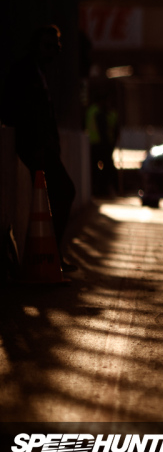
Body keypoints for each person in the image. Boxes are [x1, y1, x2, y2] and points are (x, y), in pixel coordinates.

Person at [0, 25, 77, 271]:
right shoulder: (25, 72)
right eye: (47, 46)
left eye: (56, 46)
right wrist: (35, 146)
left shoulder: (42, 73)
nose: (52, 51)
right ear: (36, 46)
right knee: (64, 191)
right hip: (35, 148)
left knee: (57, 195)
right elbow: (18, 111)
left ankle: (49, 256)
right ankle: (49, 257)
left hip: (45, 148)